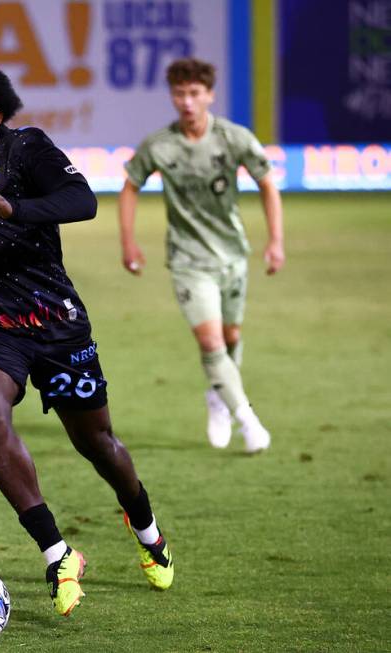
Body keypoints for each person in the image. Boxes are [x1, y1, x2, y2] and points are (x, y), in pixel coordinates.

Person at [0, 58, 174, 618]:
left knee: (97, 444)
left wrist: (16, 208)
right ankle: (58, 554)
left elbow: (84, 203)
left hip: (53, 320)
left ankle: (147, 529)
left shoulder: (29, 149)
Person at [118, 57, 284, 453]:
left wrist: (275, 240)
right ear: (172, 96)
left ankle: (218, 396)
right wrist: (128, 240)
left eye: (195, 93)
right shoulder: (160, 145)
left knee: (231, 337)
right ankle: (248, 420)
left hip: (231, 254)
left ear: (209, 95)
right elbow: (129, 186)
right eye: (179, 93)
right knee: (211, 342)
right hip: (187, 260)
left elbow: (267, 183)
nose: (187, 101)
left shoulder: (233, 138)